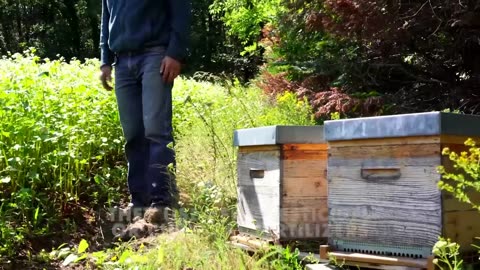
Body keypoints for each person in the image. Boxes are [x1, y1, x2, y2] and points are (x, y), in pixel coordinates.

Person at [99, 0, 191, 228]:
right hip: (121, 61)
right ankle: (138, 202)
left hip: (155, 55)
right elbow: (106, 18)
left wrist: (175, 53)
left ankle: (162, 202)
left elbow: (180, 10)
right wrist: (105, 61)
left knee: (156, 130)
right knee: (132, 134)